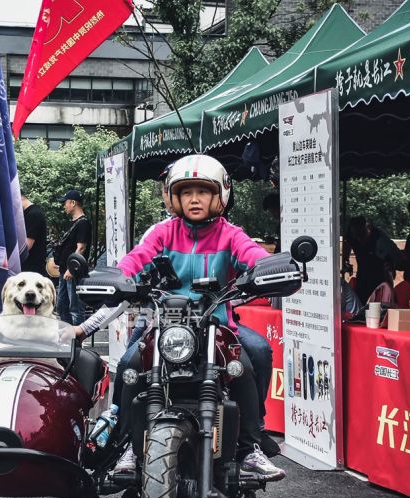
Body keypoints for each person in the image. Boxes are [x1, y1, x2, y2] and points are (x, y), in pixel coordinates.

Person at [77, 154, 286, 481]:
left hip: (216, 324)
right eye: (186, 192)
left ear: (220, 195)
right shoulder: (162, 233)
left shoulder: (231, 235)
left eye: (202, 192)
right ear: (173, 197)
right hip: (166, 324)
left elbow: (254, 256)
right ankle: (132, 445)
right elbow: (136, 260)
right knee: (132, 366)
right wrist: (118, 277)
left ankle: (249, 447)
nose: (194, 199)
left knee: (251, 358)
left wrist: (268, 268)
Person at [54, 189, 91, 325]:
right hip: (64, 270)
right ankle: (67, 336)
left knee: (75, 307)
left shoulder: (83, 223)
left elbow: (81, 247)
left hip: (74, 271)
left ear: (73, 203)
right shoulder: (74, 222)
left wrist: (71, 268)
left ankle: (76, 342)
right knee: (61, 305)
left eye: (66, 202)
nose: (64, 205)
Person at [342, 216, 400, 303]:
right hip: (362, 275)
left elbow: (396, 256)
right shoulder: (352, 235)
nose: (359, 239)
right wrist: (345, 259)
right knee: (361, 303)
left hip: (381, 276)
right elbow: (347, 242)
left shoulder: (381, 239)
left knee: (381, 304)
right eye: (356, 236)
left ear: (368, 228)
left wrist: (392, 265)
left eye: (362, 235)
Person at [20, 194, 47, 277]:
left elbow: (27, 245)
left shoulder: (33, 214)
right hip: (28, 266)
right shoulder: (27, 213)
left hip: (32, 268)